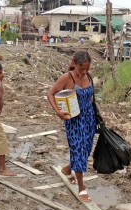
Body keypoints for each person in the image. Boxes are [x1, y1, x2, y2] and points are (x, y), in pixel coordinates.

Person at [47, 51, 96, 202]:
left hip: (89, 119)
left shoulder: (89, 77)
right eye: (82, 69)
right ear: (74, 63)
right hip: (74, 120)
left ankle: (68, 169)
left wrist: (97, 115)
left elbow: (92, 98)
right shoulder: (67, 78)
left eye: (87, 69)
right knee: (78, 149)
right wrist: (58, 112)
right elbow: (50, 94)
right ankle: (82, 188)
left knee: (86, 149)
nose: (84, 72)